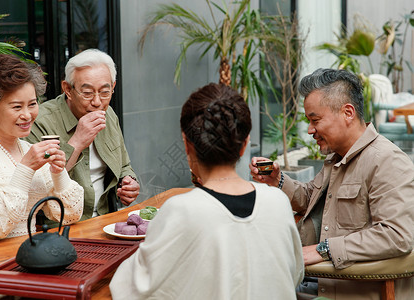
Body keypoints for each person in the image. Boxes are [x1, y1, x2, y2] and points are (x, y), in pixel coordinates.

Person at [109, 83, 304, 299]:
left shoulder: (181, 210)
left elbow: (130, 289)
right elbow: (294, 275)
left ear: (186, 144)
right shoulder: (278, 202)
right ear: (244, 144)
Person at [250, 68, 414, 300]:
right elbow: (310, 199)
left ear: (348, 113)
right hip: (316, 285)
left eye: (315, 120)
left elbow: (397, 236)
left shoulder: (387, 161)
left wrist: (322, 250)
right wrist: (277, 180)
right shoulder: (337, 157)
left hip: (348, 292)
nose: (310, 130)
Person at [0, 54, 84, 245]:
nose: (27, 115)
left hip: (25, 256)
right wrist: (26, 169)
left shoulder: (30, 150)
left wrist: (58, 173)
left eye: (32, 104)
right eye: (17, 106)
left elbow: (71, 215)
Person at [26, 49, 139, 220]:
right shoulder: (40, 122)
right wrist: (77, 142)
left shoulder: (109, 114)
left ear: (113, 87)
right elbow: (39, 186)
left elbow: (124, 165)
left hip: (106, 219)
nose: (97, 102)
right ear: (68, 89)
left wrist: (128, 181)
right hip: (59, 227)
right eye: (87, 93)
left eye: (104, 92)